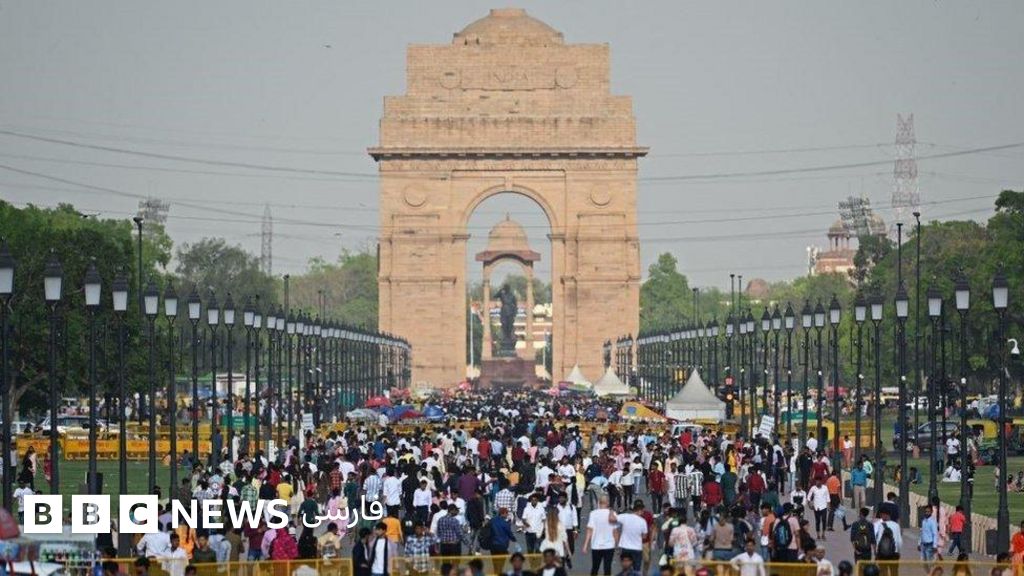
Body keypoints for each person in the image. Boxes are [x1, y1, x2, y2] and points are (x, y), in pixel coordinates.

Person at [583, 495, 618, 576]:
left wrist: (585, 545)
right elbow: (615, 531)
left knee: (595, 567)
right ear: (608, 503)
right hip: (609, 545)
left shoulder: (593, 514)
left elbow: (589, 530)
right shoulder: (613, 514)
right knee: (607, 568)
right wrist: (617, 544)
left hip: (596, 545)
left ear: (599, 503)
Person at [616, 500, 648, 568]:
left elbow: (613, 518)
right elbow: (644, 536)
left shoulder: (625, 516)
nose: (643, 512)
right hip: (637, 548)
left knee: (626, 568)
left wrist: (610, 511)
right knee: (636, 569)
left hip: (625, 547)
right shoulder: (643, 521)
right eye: (642, 511)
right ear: (639, 511)